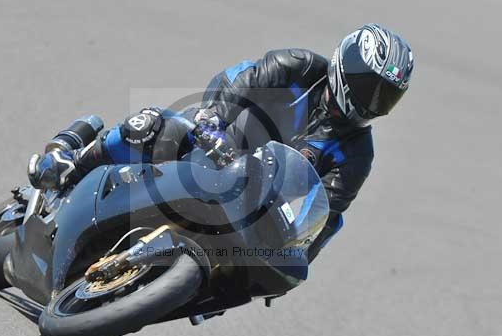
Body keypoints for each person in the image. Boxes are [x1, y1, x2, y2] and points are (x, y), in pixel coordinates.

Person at [28, 23, 414, 262]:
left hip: (251, 207)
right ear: (347, 65)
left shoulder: (358, 153)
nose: (373, 102)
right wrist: (212, 118)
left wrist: (300, 255)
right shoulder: (297, 67)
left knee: (251, 269)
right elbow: (238, 79)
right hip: (210, 149)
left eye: (386, 97)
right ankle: (70, 164)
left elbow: (327, 213)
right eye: (370, 87)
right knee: (155, 124)